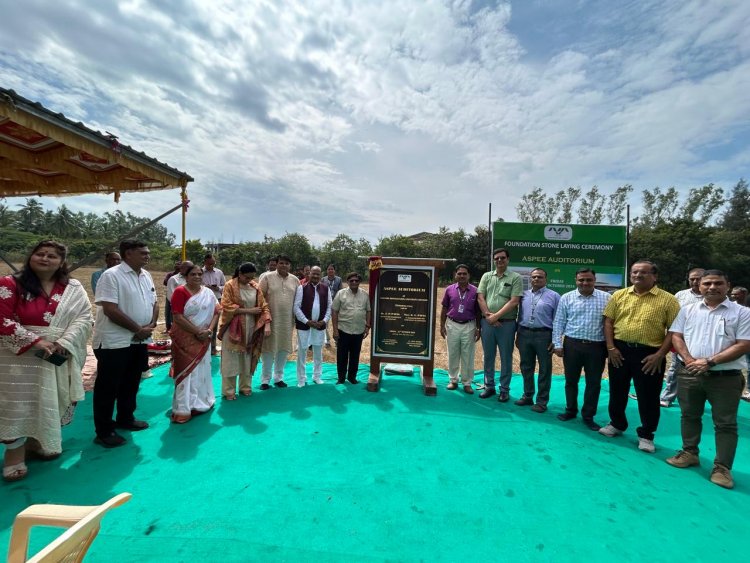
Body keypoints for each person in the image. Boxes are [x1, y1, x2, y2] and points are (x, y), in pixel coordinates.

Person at [0, 241, 92, 482]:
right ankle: (14, 455)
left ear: (61, 262)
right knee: (17, 405)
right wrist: (36, 342)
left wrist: (64, 342)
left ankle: (37, 441)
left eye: (52, 256)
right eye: (39, 254)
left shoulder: (73, 287)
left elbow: (84, 317)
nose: (45, 258)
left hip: (57, 352)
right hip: (16, 358)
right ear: (30, 257)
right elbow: (2, 318)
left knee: (46, 399)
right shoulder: (10, 284)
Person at [666, 270, 750, 489]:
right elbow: (677, 335)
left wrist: (709, 362)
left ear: (728, 285)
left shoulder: (742, 313)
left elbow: (743, 344)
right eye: (707, 283)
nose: (712, 287)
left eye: (718, 283)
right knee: (689, 415)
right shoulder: (688, 310)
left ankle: (722, 468)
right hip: (690, 373)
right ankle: (689, 452)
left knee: (725, 424)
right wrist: (689, 359)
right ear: (699, 286)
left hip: (725, 377)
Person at [599, 260, 680, 453]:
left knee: (648, 396)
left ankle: (646, 434)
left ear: (655, 276)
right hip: (620, 351)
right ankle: (617, 424)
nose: (637, 276)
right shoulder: (619, 295)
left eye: (643, 272)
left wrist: (660, 354)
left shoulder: (668, 300)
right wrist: (611, 348)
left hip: (650, 355)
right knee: (617, 389)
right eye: (634, 272)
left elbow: (674, 330)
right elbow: (608, 322)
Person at [92, 239, 159, 448]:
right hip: (115, 341)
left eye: (147, 253)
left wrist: (151, 324)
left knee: (131, 381)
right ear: (128, 254)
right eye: (143, 253)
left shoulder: (146, 275)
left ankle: (125, 418)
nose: (147, 256)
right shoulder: (111, 276)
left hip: (139, 340)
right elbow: (110, 309)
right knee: (108, 387)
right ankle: (104, 431)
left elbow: (154, 302)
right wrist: (137, 329)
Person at [552, 268, 611, 431]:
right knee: (571, 381)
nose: (585, 283)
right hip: (572, 345)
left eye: (589, 280)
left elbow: (610, 324)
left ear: (594, 280)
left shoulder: (606, 298)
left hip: (596, 347)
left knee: (593, 383)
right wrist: (557, 343)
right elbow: (559, 322)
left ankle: (588, 415)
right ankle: (570, 410)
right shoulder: (567, 297)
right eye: (581, 280)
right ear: (576, 280)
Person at [168, 264, 220, 423]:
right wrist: (197, 332)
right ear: (186, 276)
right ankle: (183, 408)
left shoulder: (208, 293)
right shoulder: (180, 291)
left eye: (199, 274)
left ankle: (201, 402)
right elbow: (177, 316)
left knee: (202, 371)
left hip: (204, 338)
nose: (197, 277)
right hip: (185, 339)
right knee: (186, 372)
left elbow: (217, 311)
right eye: (193, 274)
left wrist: (209, 331)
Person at [218, 263, 271, 400]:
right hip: (233, 328)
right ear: (240, 274)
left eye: (252, 277)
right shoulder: (230, 285)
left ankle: (245, 387)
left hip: (251, 327)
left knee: (247, 356)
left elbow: (263, 306)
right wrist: (249, 311)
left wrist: (267, 323)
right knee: (231, 358)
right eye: (247, 277)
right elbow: (226, 306)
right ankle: (229, 391)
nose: (250, 280)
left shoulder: (255, 287)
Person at [477, 248, 523, 401]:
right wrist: (489, 316)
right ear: (493, 260)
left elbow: (514, 301)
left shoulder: (515, 277)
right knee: (488, 356)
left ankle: (504, 390)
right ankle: (489, 386)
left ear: (508, 260)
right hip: (487, 323)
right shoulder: (486, 276)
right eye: (496, 258)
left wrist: (495, 316)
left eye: (502, 258)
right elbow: (480, 298)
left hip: (507, 324)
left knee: (505, 357)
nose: (499, 260)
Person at [514, 268, 560, 412]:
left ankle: (541, 402)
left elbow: (558, 320)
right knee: (526, 366)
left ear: (546, 279)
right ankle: (527, 396)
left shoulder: (554, 296)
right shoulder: (523, 295)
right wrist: (518, 335)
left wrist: (555, 339)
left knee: (544, 369)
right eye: (533, 277)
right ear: (530, 279)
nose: (536, 279)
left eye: (540, 277)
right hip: (524, 333)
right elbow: (519, 315)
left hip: (544, 335)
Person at [660, 268, 705, 407]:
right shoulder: (680, 295)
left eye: (698, 278)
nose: (695, 282)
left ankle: (699, 400)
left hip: (705, 339)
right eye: (692, 279)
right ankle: (667, 397)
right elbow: (672, 317)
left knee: (704, 369)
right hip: (681, 339)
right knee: (675, 368)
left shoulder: (712, 295)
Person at [259, 255, 298, 389]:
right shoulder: (267, 277)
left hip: (287, 322)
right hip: (270, 321)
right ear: (276, 264)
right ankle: (265, 379)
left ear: (290, 266)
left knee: (283, 349)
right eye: (281, 263)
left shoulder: (295, 280)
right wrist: (265, 318)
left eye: (286, 263)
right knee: (268, 350)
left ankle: (278, 377)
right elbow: (260, 298)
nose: (283, 265)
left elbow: (298, 301)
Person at [439, 264, 481, 393]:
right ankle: (453, 380)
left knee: (468, 355)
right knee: (453, 353)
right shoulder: (449, 289)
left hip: (469, 325)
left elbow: (478, 311)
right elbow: (444, 308)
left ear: (469, 275)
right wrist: (442, 325)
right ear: (455, 275)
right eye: (459, 273)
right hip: (452, 324)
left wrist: (478, 328)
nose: (462, 276)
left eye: (464, 273)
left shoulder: (475, 290)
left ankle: (467, 383)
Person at [294, 266, 332, 386]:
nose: (315, 276)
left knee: (318, 351)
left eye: (318, 274)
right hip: (304, 325)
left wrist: (324, 320)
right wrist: (306, 321)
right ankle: (301, 379)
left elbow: (330, 307)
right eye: (313, 274)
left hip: (319, 325)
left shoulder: (326, 288)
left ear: (321, 275)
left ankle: (317, 376)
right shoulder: (302, 288)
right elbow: (296, 307)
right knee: (302, 352)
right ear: (309, 274)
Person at [331, 272, 371, 384]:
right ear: (347, 281)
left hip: (358, 331)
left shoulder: (365, 295)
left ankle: (352, 377)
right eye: (351, 280)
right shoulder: (340, 293)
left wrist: (367, 326)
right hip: (343, 330)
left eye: (356, 280)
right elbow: (334, 311)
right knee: (342, 356)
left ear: (359, 282)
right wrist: (335, 330)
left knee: (355, 356)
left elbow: (368, 311)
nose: (354, 282)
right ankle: (341, 378)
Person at [202, 253, 226, 355]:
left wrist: (217, 288)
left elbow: (225, 286)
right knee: (203, 322)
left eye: (213, 263)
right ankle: (203, 348)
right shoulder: (200, 272)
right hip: (203, 300)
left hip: (217, 299)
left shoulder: (219, 272)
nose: (211, 266)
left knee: (214, 324)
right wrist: (205, 287)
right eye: (209, 264)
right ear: (205, 263)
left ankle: (212, 348)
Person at [731, 287, 750, 401]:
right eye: (732, 294)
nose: (733, 296)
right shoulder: (730, 307)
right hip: (733, 342)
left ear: (744, 294)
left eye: (736, 294)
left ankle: (748, 390)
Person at [322, 264, 343, 347]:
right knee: (325, 323)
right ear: (327, 270)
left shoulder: (339, 279)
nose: (330, 270)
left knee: (337, 323)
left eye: (332, 269)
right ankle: (327, 341)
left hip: (336, 304)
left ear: (334, 270)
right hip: (326, 305)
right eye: (329, 269)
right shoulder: (323, 279)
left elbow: (341, 291)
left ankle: (337, 340)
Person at [163, 260, 182, 331]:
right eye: (176, 264)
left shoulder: (185, 276)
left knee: (175, 313)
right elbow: (165, 282)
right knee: (167, 312)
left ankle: (175, 328)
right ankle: (168, 328)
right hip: (170, 296)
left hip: (179, 298)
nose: (177, 266)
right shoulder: (170, 275)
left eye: (179, 264)